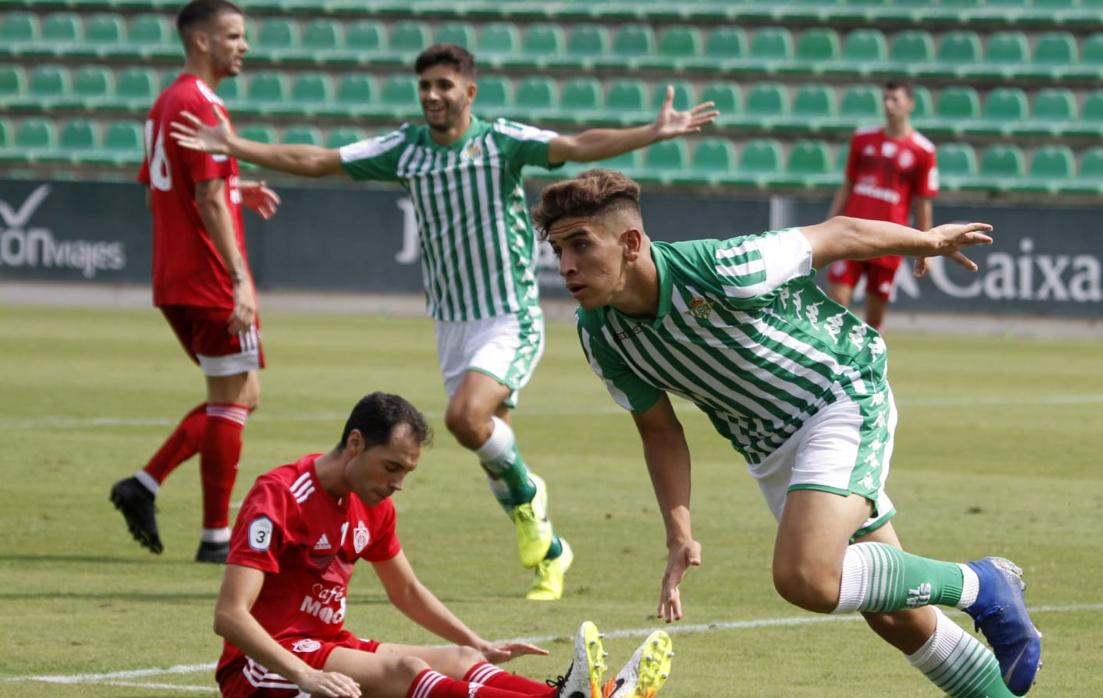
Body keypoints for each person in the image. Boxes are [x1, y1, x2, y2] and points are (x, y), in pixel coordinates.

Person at [169, 43, 718, 599]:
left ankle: (536, 518)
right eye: (425, 86)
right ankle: (549, 548)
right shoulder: (405, 149)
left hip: (508, 314)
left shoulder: (499, 141)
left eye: (444, 85)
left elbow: (576, 146)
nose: (433, 95)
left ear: (468, 92)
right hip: (451, 323)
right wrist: (235, 145)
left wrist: (653, 131)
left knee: (464, 417)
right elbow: (321, 159)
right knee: (488, 442)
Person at [533, 169, 1043, 697]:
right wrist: (679, 532)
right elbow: (660, 431)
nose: (566, 265)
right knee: (895, 615)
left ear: (631, 243)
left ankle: (983, 583)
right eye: (557, 250)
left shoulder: (723, 267)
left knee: (806, 576)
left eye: (580, 245)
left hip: (837, 395)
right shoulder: (600, 335)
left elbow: (836, 234)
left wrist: (928, 239)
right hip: (770, 448)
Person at [213, 391, 674, 698]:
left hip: (327, 645)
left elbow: (407, 591)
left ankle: (583, 694)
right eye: (391, 467)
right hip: (262, 666)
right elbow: (230, 616)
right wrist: (303, 674)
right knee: (408, 672)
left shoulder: (372, 504)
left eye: (406, 473)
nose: (398, 484)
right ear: (355, 443)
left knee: (460, 658)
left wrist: (479, 642)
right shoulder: (280, 495)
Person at [110, 0, 282, 563]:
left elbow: (156, 188)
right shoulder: (202, 105)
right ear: (202, 41)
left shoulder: (166, 103)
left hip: (174, 277)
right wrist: (240, 281)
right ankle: (213, 538)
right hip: (210, 278)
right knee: (232, 400)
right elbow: (205, 194)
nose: (244, 46)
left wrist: (239, 190)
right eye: (233, 35)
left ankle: (145, 484)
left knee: (239, 396)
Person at [826, 79, 938, 333]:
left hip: (888, 238)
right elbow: (848, 185)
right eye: (885, 99)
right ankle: (837, 364)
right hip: (852, 232)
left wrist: (926, 244)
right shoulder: (862, 138)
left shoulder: (923, 150)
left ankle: (868, 366)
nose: (888, 105)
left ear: (910, 104)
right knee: (837, 301)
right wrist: (828, 223)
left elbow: (923, 201)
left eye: (895, 100)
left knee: (875, 315)